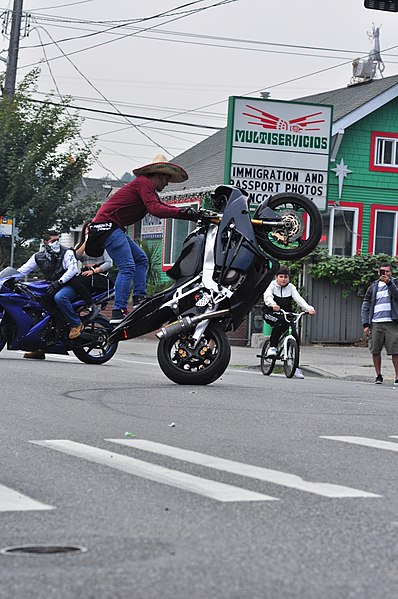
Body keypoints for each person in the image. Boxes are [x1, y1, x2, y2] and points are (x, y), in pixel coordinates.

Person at [86, 157, 198, 324]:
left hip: (114, 228)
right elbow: (156, 209)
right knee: (127, 267)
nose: (167, 184)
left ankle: (139, 298)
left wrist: (189, 213)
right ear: (158, 175)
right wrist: (184, 213)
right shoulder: (143, 182)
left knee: (141, 259)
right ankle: (118, 311)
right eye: (167, 179)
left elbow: (162, 206)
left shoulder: (148, 189)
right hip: (107, 227)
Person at [16, 230, 83, 360]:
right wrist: (8, 278)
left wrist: (59, 282)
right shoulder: (39, 256)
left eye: (57, 239)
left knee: (60, 298)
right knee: (36, 308)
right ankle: (39, 347)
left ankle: (76, 324)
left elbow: (73, 269)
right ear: (45, 242)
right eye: (53, 241)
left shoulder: (67, 252)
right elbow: (23, 270)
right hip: (51, 286)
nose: (56, 243)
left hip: (69, 285)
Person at [263, 265, 316, 378]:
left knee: (295, 338)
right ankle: (272, 347)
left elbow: (298, 298)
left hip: (286, 314)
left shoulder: (291, 287)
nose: (283, 279)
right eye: (281, 276)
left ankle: (295, 367)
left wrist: (308, 308)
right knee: (279, 322)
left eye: (286, 277)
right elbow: (267, 296)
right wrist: (272, 304)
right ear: (276, 277)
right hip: (271, 313)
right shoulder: (272, 285)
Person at [361, 263, 398, 385]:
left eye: (387, 271)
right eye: (383, 271)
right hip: (376, 322)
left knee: (395, 350)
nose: (385, 274)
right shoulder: (373, 286)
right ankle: (378, 375)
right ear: (379, 273)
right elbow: (366, 303)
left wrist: (389, 284)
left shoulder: (395, 283)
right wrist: (366, 323)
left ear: (391, 272)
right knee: (375, 350)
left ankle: (397, 376)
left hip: (391, 322)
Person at [70, 220, 113, 310]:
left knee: (75, 281)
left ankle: (91, 305)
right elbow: (75, 258)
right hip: (85, 274)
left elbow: (109, 263)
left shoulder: (101, 244)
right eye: (88, 228)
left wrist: (93, 271)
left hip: (98, 275)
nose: (89, 230)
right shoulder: (79, 245)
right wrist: (86, 242)